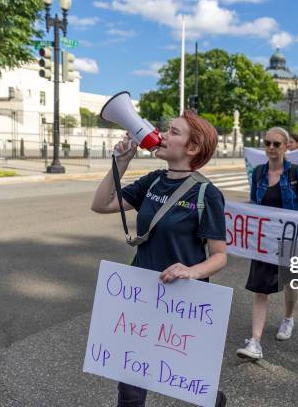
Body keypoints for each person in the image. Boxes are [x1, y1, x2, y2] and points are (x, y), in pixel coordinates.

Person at [91, 111, 228, 407]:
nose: (163, 136)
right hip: (142, 294)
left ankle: (212, 398)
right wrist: (121, 161)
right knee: (130, 387)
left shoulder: (207, 194)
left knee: (185, 376)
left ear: (192, 148)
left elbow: (219, 257)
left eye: (173, 132)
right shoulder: (153, 181)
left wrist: (190, 271)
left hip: (182, 301)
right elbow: (101, 204)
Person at [236, 127, 298, 361]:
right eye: (267, 143)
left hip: (290, 239)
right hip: (265, 240)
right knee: (261, 289)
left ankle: (288, 318)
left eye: (276, 144)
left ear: (287, 146)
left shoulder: (296, 173)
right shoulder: (259, 172)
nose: (271, 148)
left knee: (290, 283)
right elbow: (254, 201)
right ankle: (255, 342)